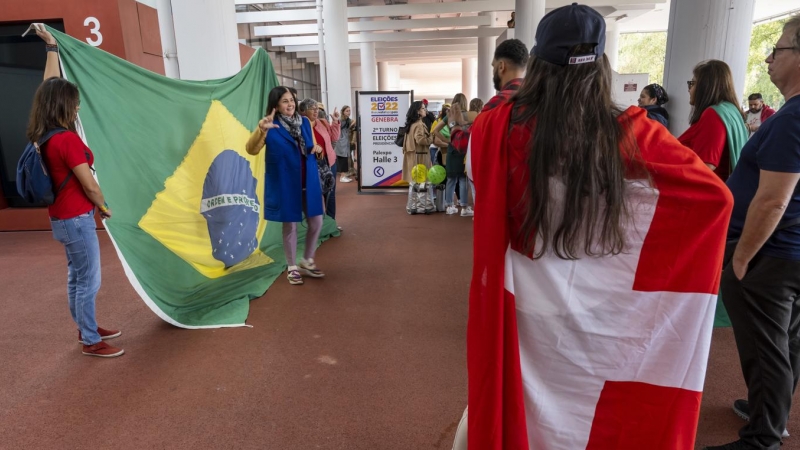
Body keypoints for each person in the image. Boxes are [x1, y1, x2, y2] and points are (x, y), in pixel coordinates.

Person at [460, 4, 732, 449]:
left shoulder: (498, 128)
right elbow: (713, 197)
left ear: (540, 65)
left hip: (526, 311)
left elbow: (478, 180)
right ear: (602, 66)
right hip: (605, 314)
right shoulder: (626, 132)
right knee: (589, 415)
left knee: (522, 412)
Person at [705, 16, 800, 450]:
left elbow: (772, 200)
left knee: (766, 350)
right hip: (788, 252)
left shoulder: (790, 120)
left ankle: (762, 437)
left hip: (770, 254)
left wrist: (741, 257)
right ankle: (770, 413)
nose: (769, 57)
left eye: (778, 49)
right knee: (785, 344)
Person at [30, 25, 123, 357]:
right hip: (77, 217)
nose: (79, 107)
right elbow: (89, 184)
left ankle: (87, 326)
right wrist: (105, 206)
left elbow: (46, 89)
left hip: (61, 218)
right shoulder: (66, 139)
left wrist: (52, 49)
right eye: (74, 103)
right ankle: (89, 338)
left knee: (77, 277)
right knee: (89, 281)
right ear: (63, 107)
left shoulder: (43, 135)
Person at [246, 87, 326, 285]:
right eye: (285, 101)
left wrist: (317, 149)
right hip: (285, 182)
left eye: (292, 100)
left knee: (316, 222)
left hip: (308, 180)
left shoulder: (305, 122)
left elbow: (314, 147)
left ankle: (307, 260)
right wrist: (261, 130)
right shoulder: (269, 125)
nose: (290, 104)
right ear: (276, 105)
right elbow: (251, 149)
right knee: (289, 225)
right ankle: (292, 267)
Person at [449, 38, 529, 154]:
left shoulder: (499, 103)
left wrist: (454, 125)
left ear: (501, 66)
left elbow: (464, 143)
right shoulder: (538, 98)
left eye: (493, 66)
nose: (493, 72)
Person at [678, 60, 748, 182]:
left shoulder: (713, 114)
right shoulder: (730, 110)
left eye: (692, 84)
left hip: (706, 195)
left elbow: (706, 166)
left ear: (705, 86)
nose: (689, 89)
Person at [298, 99, 342, 227]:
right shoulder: (299, 125)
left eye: (317, 108)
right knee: (313, 195)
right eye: (312, 108)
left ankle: (330, 223)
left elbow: (334, 138)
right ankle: (315, 226)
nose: (316, 111)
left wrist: (335, 122)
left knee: (330, 195)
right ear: (303, 111)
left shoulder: (322, 122)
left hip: (329, 163)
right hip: (312, 166)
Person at [434, 93, 473, 216]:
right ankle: (464, 208)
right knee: (463, 179)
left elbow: (435, 130)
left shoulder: (449, 116)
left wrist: (448, 140)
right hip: (463, 149)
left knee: (451, 179)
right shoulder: (469, 115)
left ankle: (449, 205)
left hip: (452, 148)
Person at [401, 101, 434, 183]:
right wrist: (431, 137)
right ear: (417, 111)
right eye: (423, 108)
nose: (425, 110)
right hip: (419, 157)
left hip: (413, 157)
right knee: (421, 183)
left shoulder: (412, 124)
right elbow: (420, 140)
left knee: (414, 183)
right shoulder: (419, 124)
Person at [334, 105, 356, 183]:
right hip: (341, 142)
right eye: (347, 111)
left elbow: (353, 123)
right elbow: (337, 128)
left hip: (345, 142)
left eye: (349, 111)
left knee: (345, 160)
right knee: (342, 160)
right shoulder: (341, 120)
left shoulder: (347, 120)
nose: (349, 112)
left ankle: (344, 175)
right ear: (343, 112)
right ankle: (342, 176)